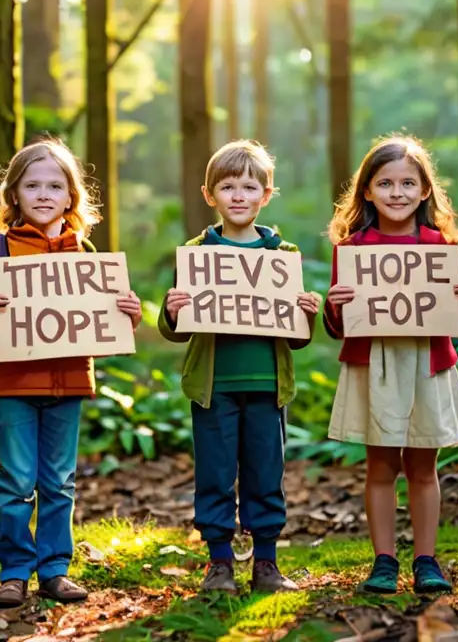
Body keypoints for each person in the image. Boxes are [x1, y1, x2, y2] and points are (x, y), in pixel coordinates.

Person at [0, 138, 142, 608]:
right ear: (13, 195)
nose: (43, 194)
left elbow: (102, 318)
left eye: (54, 186)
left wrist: (126, 312)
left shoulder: (85, 253)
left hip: (69, 383)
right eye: (32, 185)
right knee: (17, 481)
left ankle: (55, 570)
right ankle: (14, 572)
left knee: (60, 481)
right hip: (11, 384)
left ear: (71, 197)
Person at [159, 140, 321, 594]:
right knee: (214, 473)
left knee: (266, 473)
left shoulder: (282, 254)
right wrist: (172, 310)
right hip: (215, 387)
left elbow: (296, 337)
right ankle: (219, 562)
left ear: (265, 195)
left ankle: (266, 563)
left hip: (268, 386)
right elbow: (176, 328)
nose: (238, 196)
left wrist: (306, 312)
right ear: (210, 194)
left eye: (249, 187)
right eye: (227, 187)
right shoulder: (196, 252)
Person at [323, 135, 458, 594]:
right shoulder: (352, 249)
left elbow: (453, 320)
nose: (397, 193)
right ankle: (384, 562)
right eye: (385, 183)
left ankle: (427, 560)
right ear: (367, 191)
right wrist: (334, 306)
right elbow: (340, 323)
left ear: (425, 190)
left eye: (408, 183)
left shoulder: (442, 247)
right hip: (374, 363)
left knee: (422, 467)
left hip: (426, 363)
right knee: (380, 467)